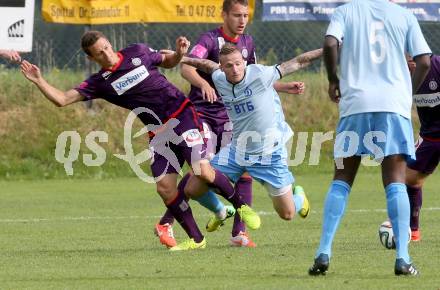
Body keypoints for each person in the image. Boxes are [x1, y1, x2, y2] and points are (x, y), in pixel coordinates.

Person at [20, 30, 260, 251]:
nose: (106, 53)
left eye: (106, 47)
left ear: (109, 42)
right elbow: (62, 99)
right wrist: (39, 80)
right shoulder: (99, 82)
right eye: (99, 53)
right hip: (159, 132)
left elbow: (169, 62)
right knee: (165, 188)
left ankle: (242, 207)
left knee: (202, 171)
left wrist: (178, 53)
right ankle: (196, 240)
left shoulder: (138, 52)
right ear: (92, 58)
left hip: (183, 115)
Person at [155, 0, 305, 249]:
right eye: (237, 15)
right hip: (202, 113)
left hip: (230, 116)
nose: (242, 20)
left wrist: (284, 87)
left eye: (246, 15)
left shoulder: (246, 43)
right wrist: (202, 84)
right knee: (200, 171)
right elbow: (187, 66)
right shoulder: (210, 40)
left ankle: (239, 233)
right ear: (224, 15)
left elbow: (254, 80)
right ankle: (168, 221)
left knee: (242, 173)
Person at [307, 0, 431, 277]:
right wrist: (406, 93)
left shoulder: (345, 11)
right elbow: (424, 60)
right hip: (392, 106)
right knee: (396, 181)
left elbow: (329, 44)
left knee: (341, 179)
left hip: (355, 104)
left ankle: (323, 252)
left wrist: (333, 78)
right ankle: (403, 258)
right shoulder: (404, 14)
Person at [181, 44, 321, 237]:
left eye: (238, 64)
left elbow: (299, 61)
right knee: (193, 188)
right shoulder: (219, 78)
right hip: (237, 152)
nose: (235, 69)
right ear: (222, 68)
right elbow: (205, 64)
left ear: (245, 62)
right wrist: (181, 57)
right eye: (229, 65)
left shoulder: (261, 74)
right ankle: (222, 211)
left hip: (269, 154)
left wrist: (328, 49)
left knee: (287, 213)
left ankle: (299, 198)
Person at [405, 55, 440, 242]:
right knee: (409, 179)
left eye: (410, 56)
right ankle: (413, 230)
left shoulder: (437, 65)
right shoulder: (401, 74)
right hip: (429, 138)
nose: (408, 61)